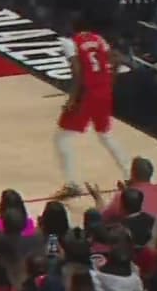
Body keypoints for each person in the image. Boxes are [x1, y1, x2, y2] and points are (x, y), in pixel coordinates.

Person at [53, 15, 131, 198]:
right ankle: (130, 174)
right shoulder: (99, 39)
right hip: (103, 91)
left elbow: (78, 72)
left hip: (86, 93)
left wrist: (72, 99)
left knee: (61, 138)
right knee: (105, 135)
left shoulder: (70, 43)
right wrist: (109, 82)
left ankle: (71, 184)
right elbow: (118, 59)